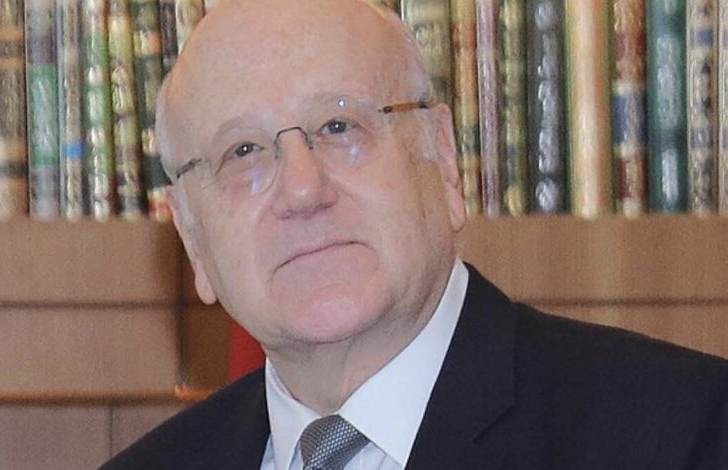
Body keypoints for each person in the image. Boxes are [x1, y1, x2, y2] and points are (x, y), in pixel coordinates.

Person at [102, 0, 728, 468]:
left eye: (340, 127)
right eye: (242, 152)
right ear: (192, 237)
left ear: (445, 160)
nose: (302, 191)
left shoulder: (683, 432)